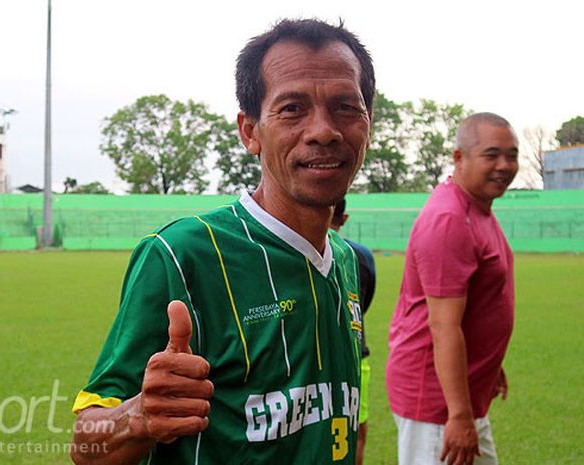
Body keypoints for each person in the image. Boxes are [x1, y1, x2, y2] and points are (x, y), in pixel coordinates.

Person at [70, 18, 376, 465]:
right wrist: (136, 417)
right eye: (292, 108)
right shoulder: (182, 254)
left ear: (368, 124)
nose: (323, 130)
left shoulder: (345, 261)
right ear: (250, 131)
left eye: (346, 107)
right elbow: (86, 445)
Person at [385, 112, 518, 465]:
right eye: (491, 155)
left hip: (462, 394)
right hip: (437, 405)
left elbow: (477, 302)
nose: (504, 165)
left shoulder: (479, 209)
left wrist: (488, 363)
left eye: (512, 155)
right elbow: (443, 326)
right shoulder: (449, 219)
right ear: (459, 157)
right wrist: (457, 416)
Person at [330, 198, 376, 465]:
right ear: (344, 218)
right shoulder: (362, 255)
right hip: (356, 357)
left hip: (306, 365)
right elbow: (363, 304)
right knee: (355, 434)